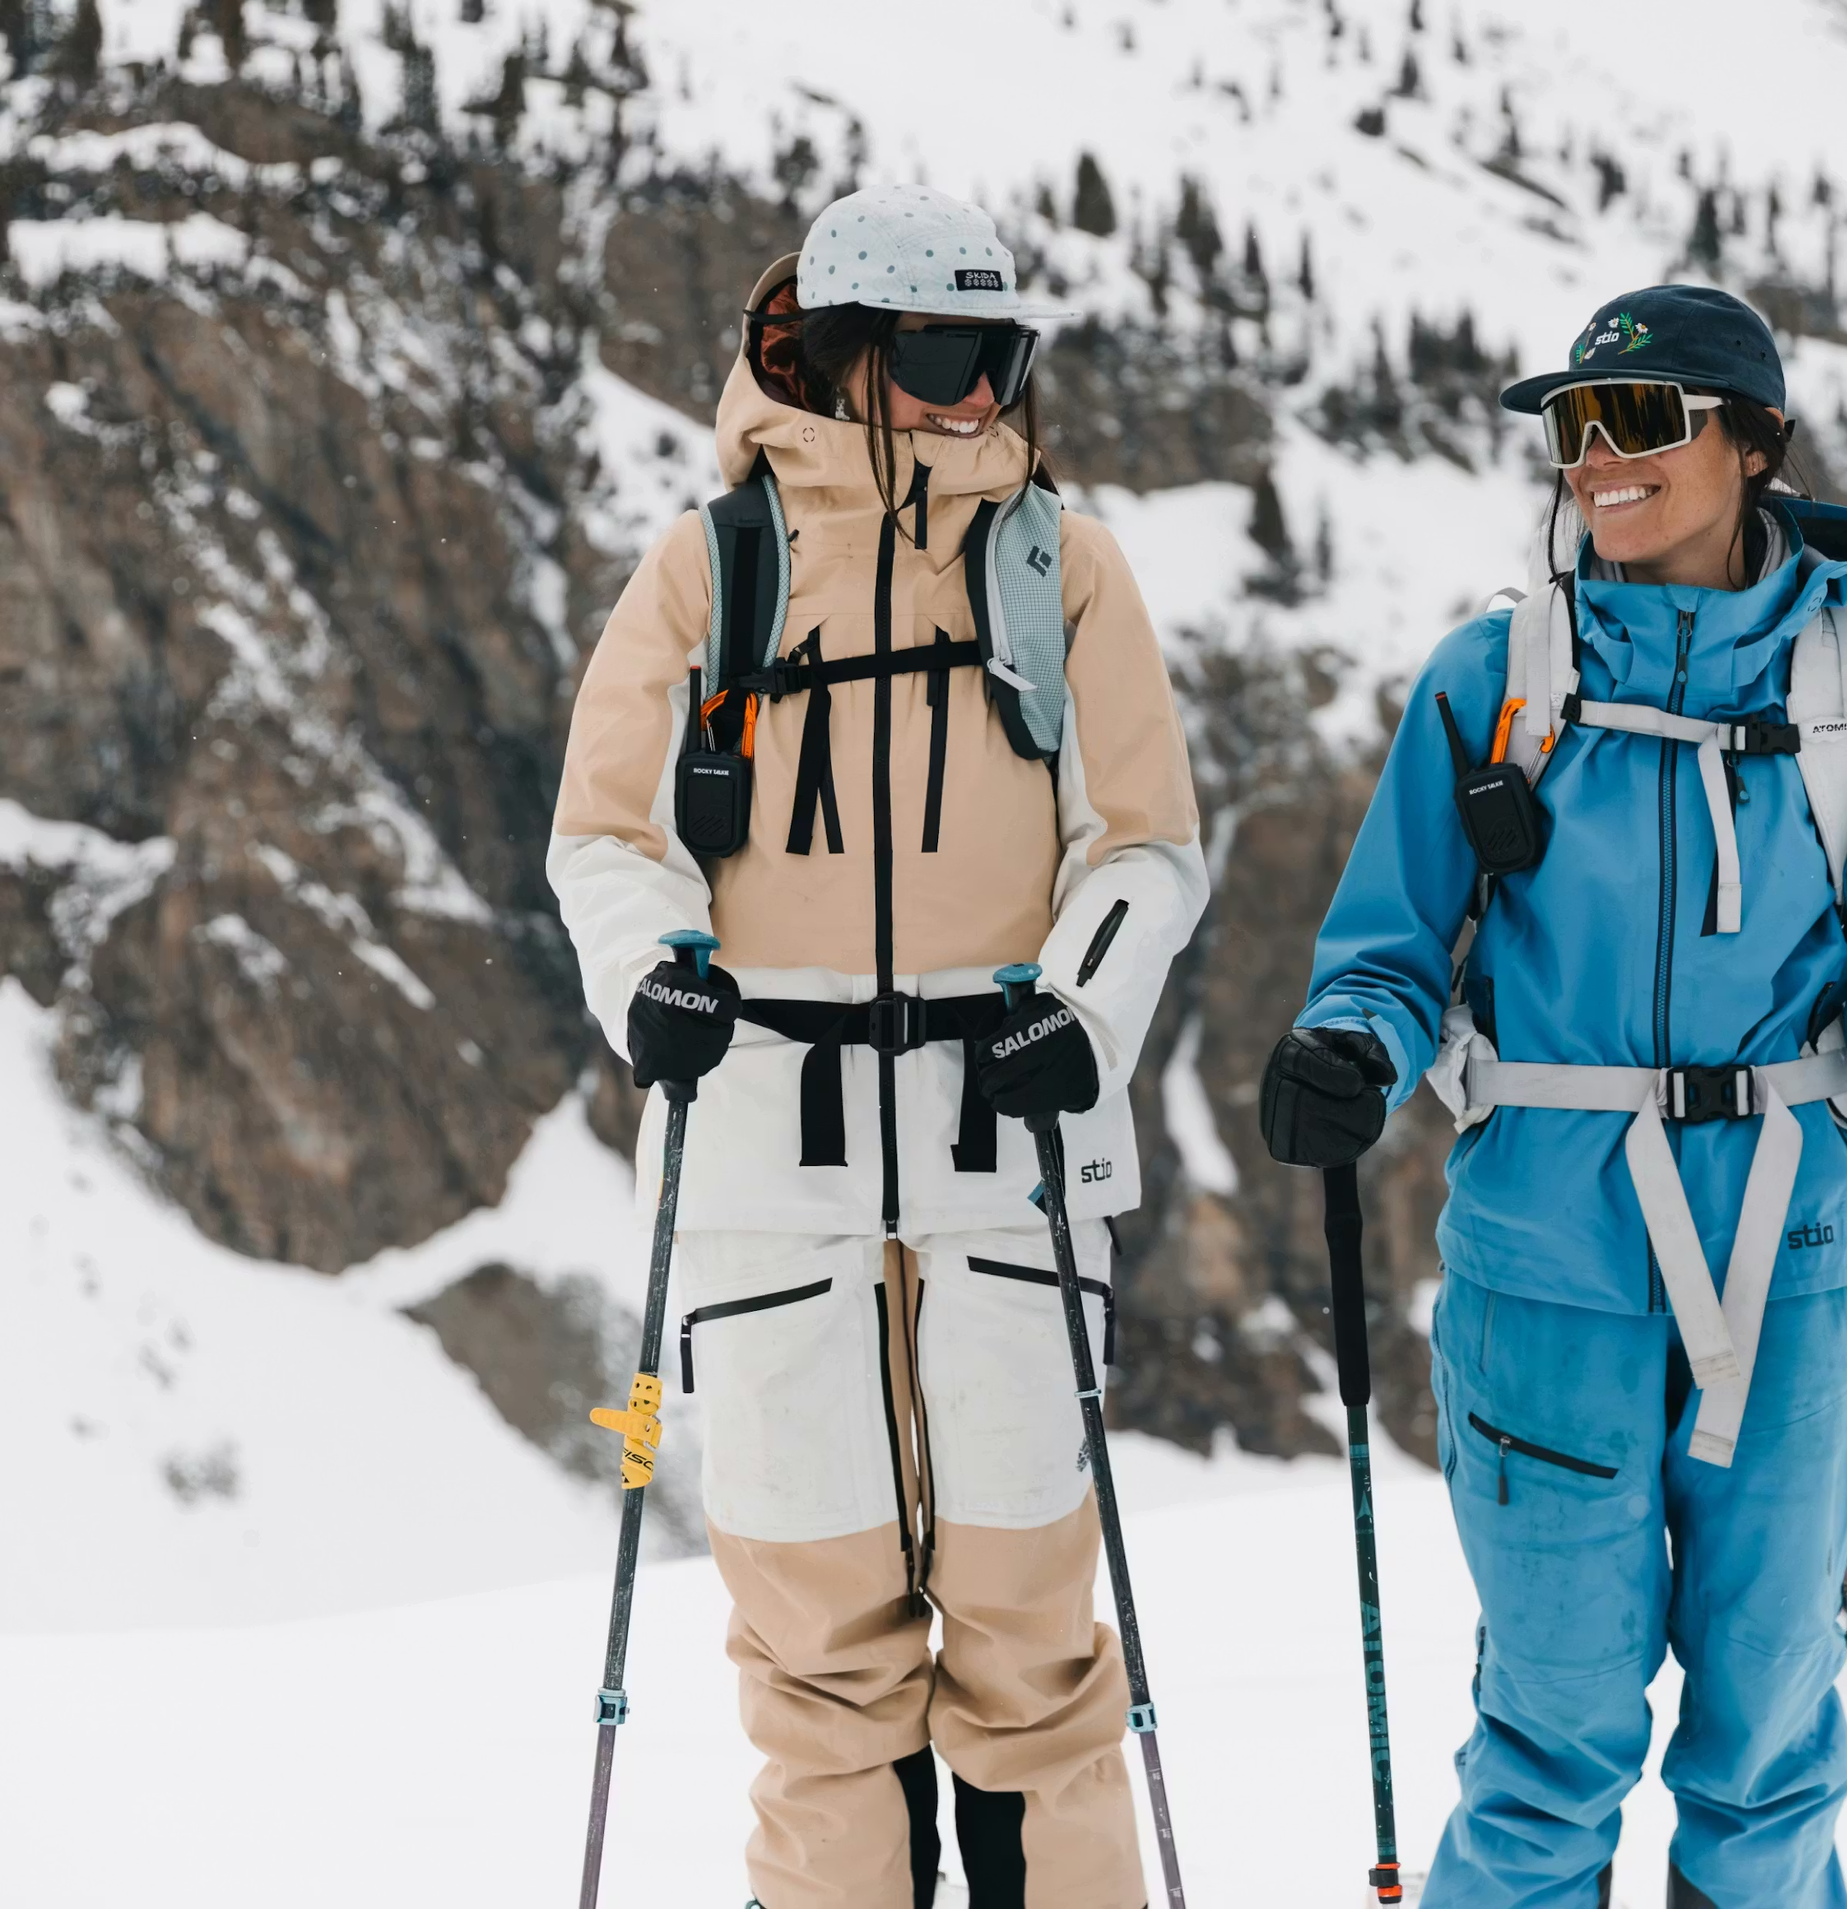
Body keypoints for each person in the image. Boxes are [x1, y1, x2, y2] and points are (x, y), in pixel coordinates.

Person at [1259, 286, 1847, 1908]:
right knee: (1549, 1742)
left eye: (1644, 423)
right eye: (1575, 429)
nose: (1598, 464)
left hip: (1798, 1261)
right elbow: (1390, 951)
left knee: (1768, 1746)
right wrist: (1348, 1045)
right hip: (1547, 1262)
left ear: (1754, 444)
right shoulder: (1495, 681)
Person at [549, 182, 1207, 1909]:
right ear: (843, 354)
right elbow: (606, 835)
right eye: (937, 353)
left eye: (998, 353)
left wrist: (1084, 1007)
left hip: (1011, 1144)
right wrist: (656, 978)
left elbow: (1142, 840)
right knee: (822, 1658)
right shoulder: (713, 566)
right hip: (772, 1156)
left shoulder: (1067, 565)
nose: (976, 390)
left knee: (1034, 1651)